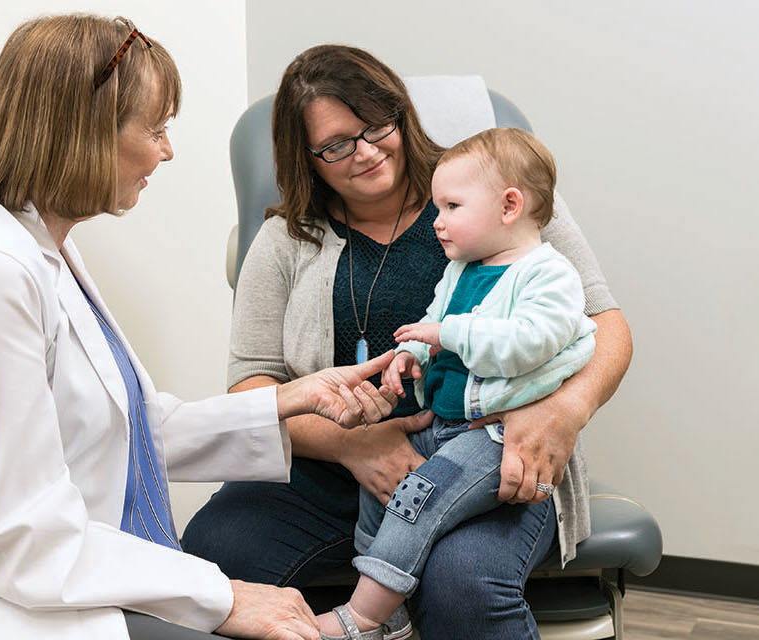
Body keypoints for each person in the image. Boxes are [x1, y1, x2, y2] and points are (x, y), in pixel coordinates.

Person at [0, 15, 401, 640]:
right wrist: (220, 595)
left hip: (68, 577)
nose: (165, 151)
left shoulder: (43, 246)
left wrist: (287, 399)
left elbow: (124, 427)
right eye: (156, 129)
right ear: (84, 132)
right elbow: (12, 532)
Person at [182, 45, 633, 639]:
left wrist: (562, 412)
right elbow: (252, 386)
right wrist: (354, 446)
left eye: (376, 126)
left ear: (400, 114)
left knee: (464, 585)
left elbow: (607, 326)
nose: (366, 152)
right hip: (329, 471)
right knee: (213, 558)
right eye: (337, 144)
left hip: (486, 455)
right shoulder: (283, 240)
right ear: (308, 158)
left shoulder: (500, 197)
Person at [309, 128, 597, 638]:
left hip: (495, 436)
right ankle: (392, 619)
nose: (437, 223)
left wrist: (447, 333)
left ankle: (364, 615)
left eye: (451, 207)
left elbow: (528, 342)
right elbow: (434, 322)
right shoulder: (461, 269)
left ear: (510, 206)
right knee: (378, 492)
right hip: (443, 424)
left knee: (418, 497)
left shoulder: (548, 274)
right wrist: (411, 353)